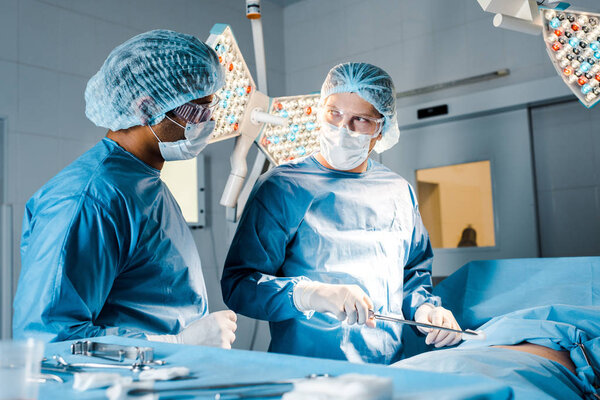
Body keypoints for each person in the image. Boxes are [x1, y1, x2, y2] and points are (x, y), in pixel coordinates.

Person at [221, 62, 460, 364]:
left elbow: (412, 274)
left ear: (381, 127)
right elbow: (239, 285)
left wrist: (426, 309)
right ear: (320, 110)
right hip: (307, 370)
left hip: (388, 367)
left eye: (359, 119)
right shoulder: (283, 187)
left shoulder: (398, 191)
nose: (342, 130)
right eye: (334, 113)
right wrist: (310, 294)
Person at [13, 30, 237, 348]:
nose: (208, 122)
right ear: (145, 108)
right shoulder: (88, 200)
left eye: (210, 108)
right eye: (196, 110)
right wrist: (177, 346)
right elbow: (48, 341)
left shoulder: (146, 184)